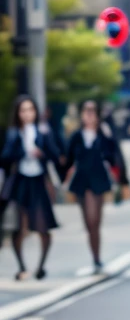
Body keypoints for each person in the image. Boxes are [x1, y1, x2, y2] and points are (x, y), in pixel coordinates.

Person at [0, 94, 62, 280]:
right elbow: (5, 158)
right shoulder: (12, 134)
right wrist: (20, 150)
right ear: (18, 113)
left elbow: (55, 154)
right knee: (18, 226)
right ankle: (22, 267)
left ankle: (41, 267)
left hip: (38, 180)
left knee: (43, 226)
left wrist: (41, 152)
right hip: (20, 182)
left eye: (30, 110)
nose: (27, 114)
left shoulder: (43, 132)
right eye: (23, 110)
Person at [64, 99, 120, 273]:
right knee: (89, 221)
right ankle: (95, 258)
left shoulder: (103, 134)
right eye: (86, 110)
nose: (89, 114)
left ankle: (97, 258)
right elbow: (67, 159)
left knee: (95, 221)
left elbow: (114, 155)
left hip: (99, 178)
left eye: (92, 110)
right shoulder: (76, 136)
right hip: (82, 180)